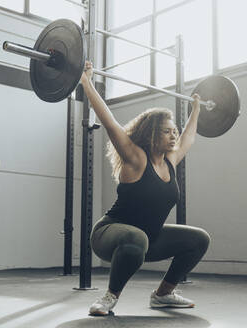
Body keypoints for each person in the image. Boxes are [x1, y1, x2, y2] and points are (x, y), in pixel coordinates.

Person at [80, 61, 210, 316]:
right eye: (166, 132)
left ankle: (163, 294)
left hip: (147, 239)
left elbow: (189, 138)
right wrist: (86, 83)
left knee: (199, 239)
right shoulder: (136, 158)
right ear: (151, 134)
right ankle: (109, 297)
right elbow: (109, 121)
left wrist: (196, 109)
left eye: (174, 131)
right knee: (136, 237)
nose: (173, 136)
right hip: (110, 235)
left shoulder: (170, 162)